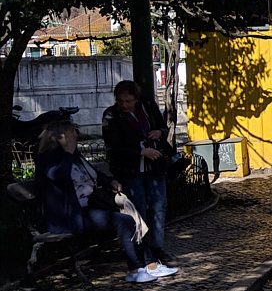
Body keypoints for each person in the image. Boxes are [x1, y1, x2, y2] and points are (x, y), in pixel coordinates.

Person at [36, 118, 175, 282]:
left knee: (133, 214)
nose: (76, 135)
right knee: (124, 221)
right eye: (72, 132)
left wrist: (111, 182)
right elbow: (59, 176)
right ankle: (134, 269)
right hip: (70, 215)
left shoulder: (74, 155)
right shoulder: (47, 158)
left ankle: (150, 265)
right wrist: (68, 153)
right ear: (61, 136)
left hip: (90, 205)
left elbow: (94, 173)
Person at [103, 80, 177, 267]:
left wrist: (159, 132)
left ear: (136, 99)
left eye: (128, 101)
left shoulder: (148, 107)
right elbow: (113, 147)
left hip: (154, 167)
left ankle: (156, 248)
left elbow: (163, 127)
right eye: (120, 101)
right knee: (139, 209)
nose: (124, 105)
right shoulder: (111, 115)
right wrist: (140, 152)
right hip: (131, 170)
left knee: (158, 206)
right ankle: (142, 251)